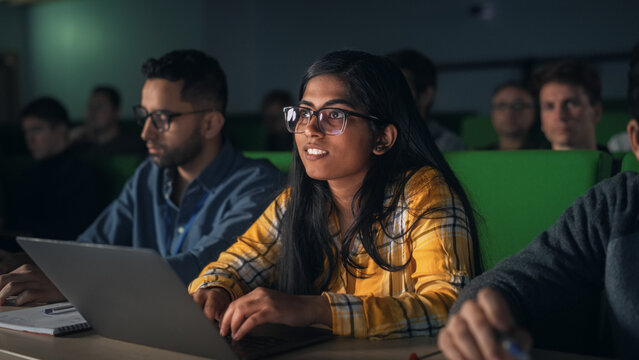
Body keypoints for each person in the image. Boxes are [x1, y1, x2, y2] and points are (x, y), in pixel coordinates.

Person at [189, 50, 481, 341]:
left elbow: (451, 306)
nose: (310, 130)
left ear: (383, 138)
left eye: (334, 115)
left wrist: (315, 310)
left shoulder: (423, 193)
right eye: (304, 113)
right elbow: (235, 265)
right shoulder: (295, 202)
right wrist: (216, 289)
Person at [0, 49, 283, 305]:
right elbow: (92, 244)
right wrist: (20, 262)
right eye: (143, 116)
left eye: (161, 118)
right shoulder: (150, 175)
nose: (146, 133)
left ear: (210, 123)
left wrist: (72, 283)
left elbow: (202, 267)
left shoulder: (258, 186)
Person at [437, 43, 639, 359]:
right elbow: (519, 277)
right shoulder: (615, 204)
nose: (559, 114)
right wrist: (481, 314)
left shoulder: (612, 186)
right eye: (549, 105)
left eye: (571, 103)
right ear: (637, 141)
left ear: (596, 111)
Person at [1, 97, 107, 270]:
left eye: (36, 130)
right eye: (26, 132)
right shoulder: (26, 176)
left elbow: (78, 236)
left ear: (60, 130)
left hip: (63, 263)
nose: (29, 139)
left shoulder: (85, 175)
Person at [387, 49, 468, 152]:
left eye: (400, 87)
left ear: (426, 95)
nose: (389, 95)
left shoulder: (449, 145)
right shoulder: (374, 142)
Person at [535, 59, 605, 151]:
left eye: (570, 103)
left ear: (596, 112)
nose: (559, 116)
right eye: (549, 107)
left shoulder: (619, 165)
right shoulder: (528, 165)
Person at [70, 86, 146, 155]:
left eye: (99, 107)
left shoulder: (133, 147)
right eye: (89, 107)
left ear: (116, 112)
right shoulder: (79, 147)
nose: (92, 112)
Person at [485, 81, 540, 150]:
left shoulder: (547, 154)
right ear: (492, 113)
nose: (509, 112)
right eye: (502, 106)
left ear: (534, 112)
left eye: (518, 105)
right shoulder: (478, 157)